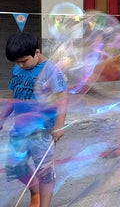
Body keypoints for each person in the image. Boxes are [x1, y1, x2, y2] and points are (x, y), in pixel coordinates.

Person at [0, 32, 68, 207]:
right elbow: (15, 96)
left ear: (37, 52)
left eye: (23, 61)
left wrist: (59, 125)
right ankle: (34, 190)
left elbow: (62, 97)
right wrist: (2, 117)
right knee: (16, 166)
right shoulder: (18, 68)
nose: (19, 65)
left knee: (45, 173)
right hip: (20, 128)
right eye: (16, 62)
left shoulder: (51, 70)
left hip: (42, 133)